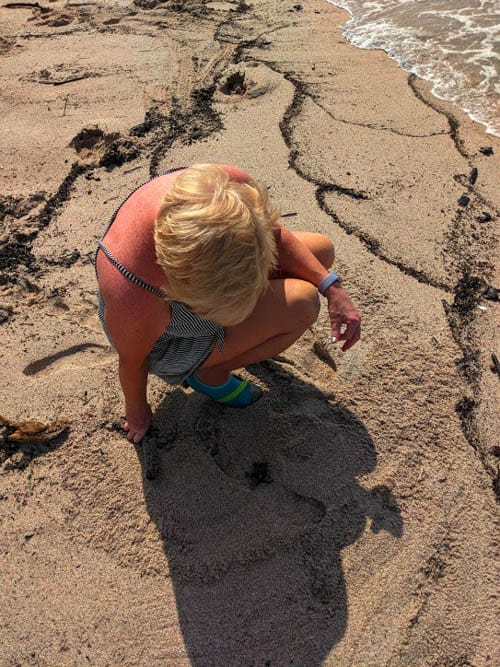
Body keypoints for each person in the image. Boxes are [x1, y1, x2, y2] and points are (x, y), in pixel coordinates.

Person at [95, 163, 361, 443]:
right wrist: (137, 413)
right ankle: (209, 371)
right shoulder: (132, 295)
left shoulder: (226, 187)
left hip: (195, 287)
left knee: (321, 251)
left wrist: (330, 286)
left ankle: (225, 343)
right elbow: (133, 362)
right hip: (170, 339)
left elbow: (273, 232)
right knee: (303, 304)